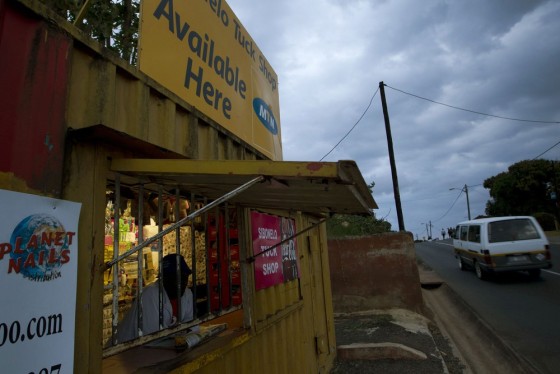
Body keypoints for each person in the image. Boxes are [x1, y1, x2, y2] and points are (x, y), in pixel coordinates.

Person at [117, 254, 193, 343]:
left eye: (185, 278)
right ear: (164, 279)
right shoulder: (150, 294)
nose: (183, 283)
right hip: (124, 350)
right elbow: (154, 336)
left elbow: (190, 324)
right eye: (177, 278)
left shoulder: (186, 294)